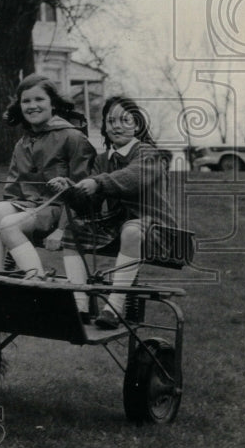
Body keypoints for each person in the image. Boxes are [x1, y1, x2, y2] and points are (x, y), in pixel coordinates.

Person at [0, 74, 97, 283]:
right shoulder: (22, 143)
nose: (32, 106)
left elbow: (82, 196)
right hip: (32, 208)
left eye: (39, 99)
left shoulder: (73, 137)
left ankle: (38, 282)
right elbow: (12, 192)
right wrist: (15, 208)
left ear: (53, 104)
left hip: (62, 211)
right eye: (26, 101)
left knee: (8, 224)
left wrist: (62, 229)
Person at [70, 95, 175, 329]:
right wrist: (72, 191)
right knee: (73, 230)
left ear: (137, 125)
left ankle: (114, 307)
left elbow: (132, 178)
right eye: (110, 121)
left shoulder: (148, 153)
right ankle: (79, 306)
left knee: (131, 229)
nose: (116, 126)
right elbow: (92, 204)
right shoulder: (101, 160)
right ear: (105, 128)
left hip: (157, 228)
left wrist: (97, 183)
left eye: (124, 120)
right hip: (119, 228)